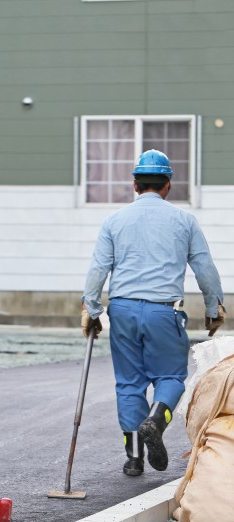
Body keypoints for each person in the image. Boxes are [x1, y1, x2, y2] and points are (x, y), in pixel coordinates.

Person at [81, 149, 225, 477]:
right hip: (164, 312)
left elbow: (99, 267)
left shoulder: (114, 221)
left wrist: (91, 307)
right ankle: (157, 421)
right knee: (171, 377)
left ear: (134, 185)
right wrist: (213, 306)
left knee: (129, 384)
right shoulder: (184, 221)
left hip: (123, 311)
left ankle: (133, 458)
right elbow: (204, 267)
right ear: (168, 185)